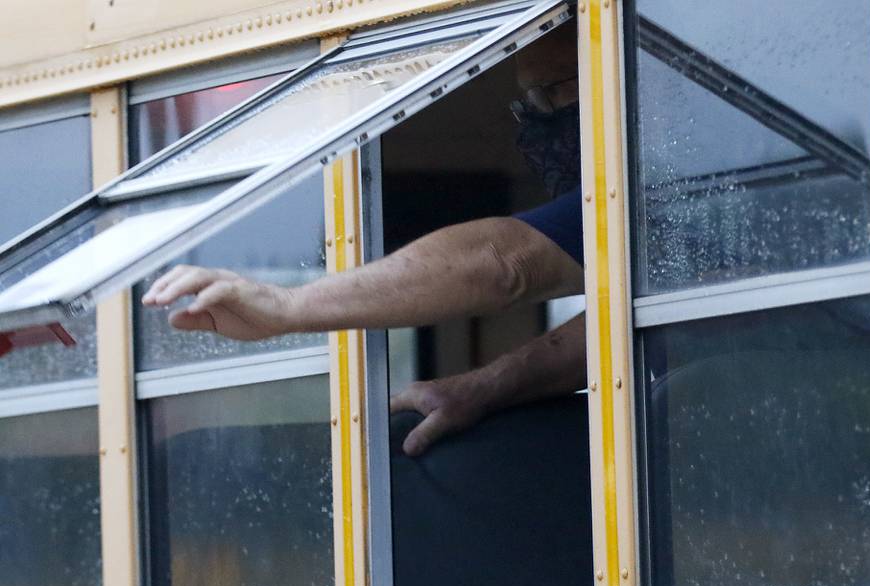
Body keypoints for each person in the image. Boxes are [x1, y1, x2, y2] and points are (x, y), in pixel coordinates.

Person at [141, 21, 587, 457]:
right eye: (527, 101)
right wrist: (479, 390)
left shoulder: (646, 191)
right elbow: (608, 330)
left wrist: (285, 307)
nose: (537, 118)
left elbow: (504, 263)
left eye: (550, 93)